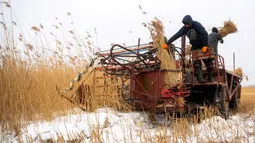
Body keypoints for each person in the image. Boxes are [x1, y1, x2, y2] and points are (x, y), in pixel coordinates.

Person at [165, 15, 208, 83]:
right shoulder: (184, 28)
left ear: (190, 22)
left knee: (207, 60)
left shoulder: (196, 25)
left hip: (202, 44)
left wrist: (206, 45)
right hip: (195, 46)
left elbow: (205, 34)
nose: (186, 25)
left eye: (187, 24)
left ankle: (211, 78)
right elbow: (176, 35)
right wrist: (167, 43)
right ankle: (200, 79)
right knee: (196, 63)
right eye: (185, 24)